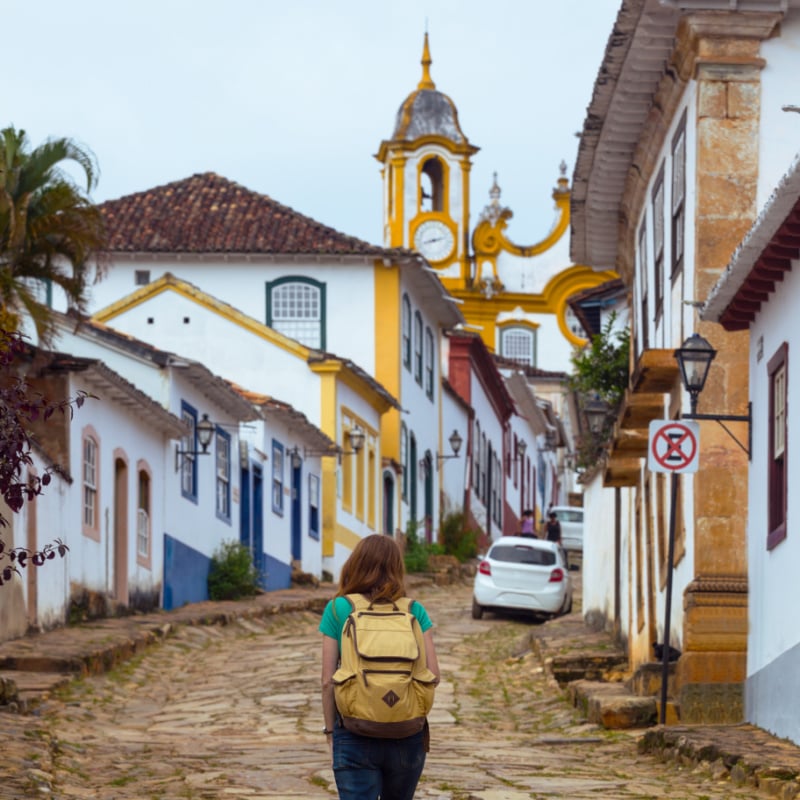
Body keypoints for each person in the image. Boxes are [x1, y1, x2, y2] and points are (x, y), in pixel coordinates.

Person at [320, 534, 441, 800]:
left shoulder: (339, 609)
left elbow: (328, 681)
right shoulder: (414, 610)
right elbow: (433, 674)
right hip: (406, 731)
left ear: (356, 564)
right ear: (397, 568)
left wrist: (331, 732)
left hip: (353, 730)